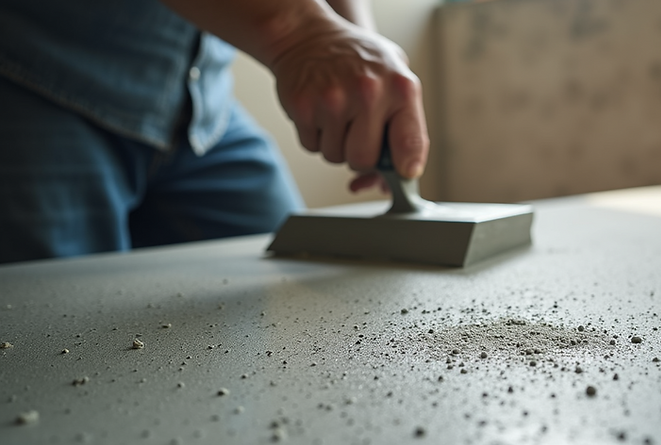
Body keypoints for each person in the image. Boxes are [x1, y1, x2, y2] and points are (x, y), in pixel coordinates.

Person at [0, 0, 429, 264]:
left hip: (204, 107)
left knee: (295, 290)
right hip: (38, 76)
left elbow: (344, 41)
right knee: (48, 345)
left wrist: (361, 57)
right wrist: (297, 32)